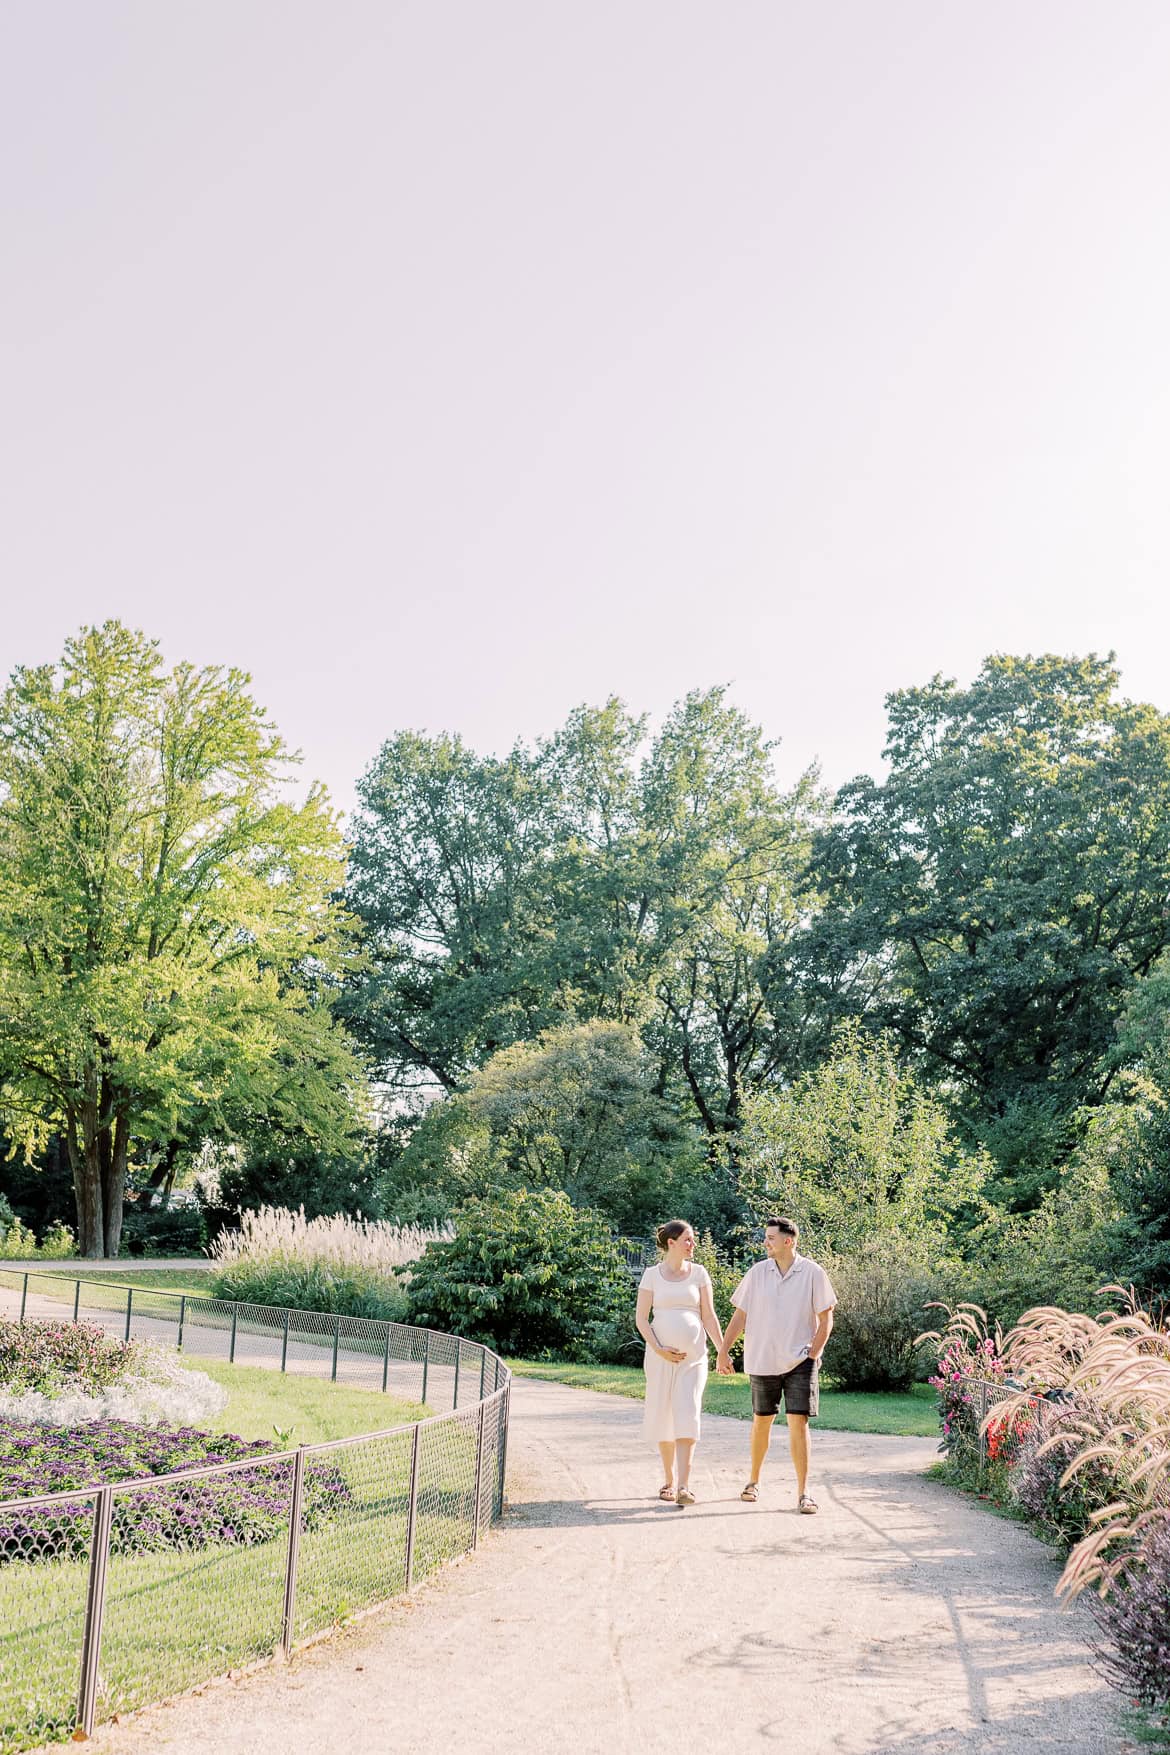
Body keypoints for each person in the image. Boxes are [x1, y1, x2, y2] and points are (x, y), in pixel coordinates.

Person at [716, 1216, 836, 1514]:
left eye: (771, 1237)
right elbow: (740, 1316)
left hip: (800, 1360)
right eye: (766, 1237)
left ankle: (804, 1492)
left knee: (799, 1422)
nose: (766, 1242)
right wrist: (723, 1351)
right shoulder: (758, 1273)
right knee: (762, 1421)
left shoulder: (812, 1273)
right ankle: (753, 1481)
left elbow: (826, 1316)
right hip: (763, 1359)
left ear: (788, 1240)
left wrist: (814, 1352)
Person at [635, 1220, 725, 1507]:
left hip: (694, 1358)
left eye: (694, 1238)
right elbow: (641, 1319)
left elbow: (708, 1316)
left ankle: (685, 1486)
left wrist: (723, 1349)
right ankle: (669, 1481)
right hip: (660, 1358)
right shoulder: (652, 1275)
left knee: (688, 1411)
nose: (693, 1243)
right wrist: (659, 1349)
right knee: (664, 1413)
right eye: (688, 1239)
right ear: (671, 1242)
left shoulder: (699, 1273)